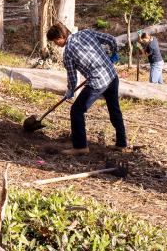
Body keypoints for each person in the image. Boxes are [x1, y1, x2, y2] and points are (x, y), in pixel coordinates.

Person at [47, 23, 129, 156]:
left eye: (55, 42)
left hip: (98, 81)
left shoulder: (68, 53)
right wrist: (113, 54)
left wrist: (70, 90)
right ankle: (121, 143)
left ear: (60, 37)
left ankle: (80, 146)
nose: (56, 44)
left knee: (76, 110)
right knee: (114, 109)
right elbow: (111, 40)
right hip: (111, 76)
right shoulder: (86, 33)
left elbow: (73, 77)